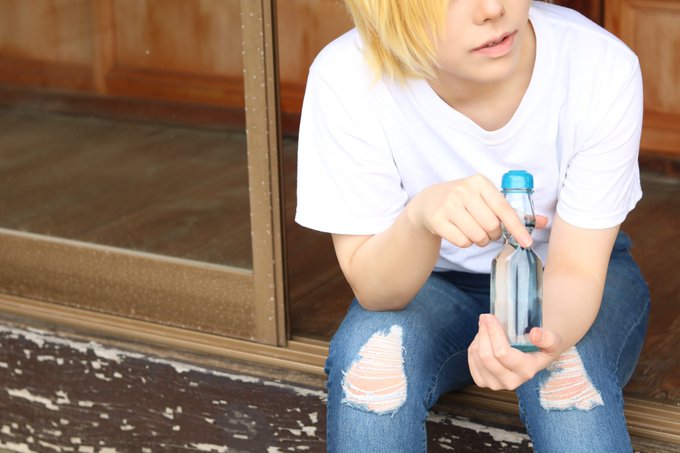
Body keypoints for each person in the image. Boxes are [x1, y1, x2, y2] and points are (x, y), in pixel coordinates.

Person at [295, 0, 650, 451]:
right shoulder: (347, 75)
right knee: (372, 368)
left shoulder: (599, 66)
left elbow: (577, 268)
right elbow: (376, 291)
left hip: (567, 275)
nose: (492, 9)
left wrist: (539, 342)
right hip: (432, 282)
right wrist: (420, 219)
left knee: (566, 380)